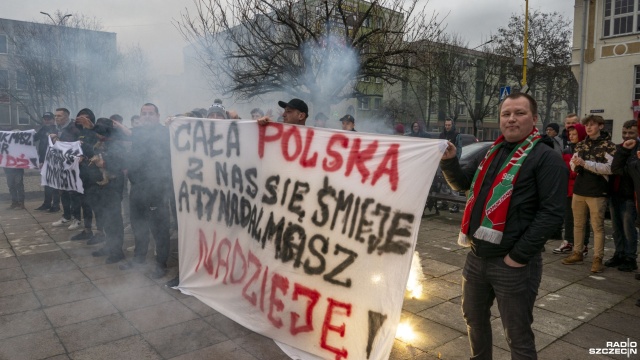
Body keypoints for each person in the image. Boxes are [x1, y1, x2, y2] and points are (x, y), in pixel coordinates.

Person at [440, 93, 567, 359]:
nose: (511, 119)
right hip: (477, 257)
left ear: (534, 119)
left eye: (519, 113)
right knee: (473, 320)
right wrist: (450, 161)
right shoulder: (490, 153)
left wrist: (517, 257)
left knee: (517, 334)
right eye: (506, 114)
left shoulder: (546, 158)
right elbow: (464, 184)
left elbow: (552, 214)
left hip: (514, 263)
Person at [121, 103, 172, 279]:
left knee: (159, 229)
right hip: (137, 188)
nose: (148, 116)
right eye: (144, 114)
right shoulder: (138, 132)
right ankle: (139, 257)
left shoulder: (164, 132)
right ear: (140, 116)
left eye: (151, 113)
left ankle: (161, 263)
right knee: (138, 225)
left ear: (157, 116)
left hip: (157, 190)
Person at [562, 115, 616, 273]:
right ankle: (577, 252)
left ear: (600, 126)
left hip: (597, 191)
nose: (589, 128)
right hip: (579, 189)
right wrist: (576, 165)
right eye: (587, 125)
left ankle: (597, 258)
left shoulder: (608, 146)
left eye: (592, 125)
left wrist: (585, 164)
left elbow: (609, 168)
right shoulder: (581, 144)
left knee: (597, 227)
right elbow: (573, 163)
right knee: (578, 224)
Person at [553, 124, 591, 256]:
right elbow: (565, 169)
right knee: (569, 217)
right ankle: (568, 241)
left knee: (583, 219)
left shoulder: (586, 149)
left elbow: (582, 170)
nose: (571, 137)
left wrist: (573, 171)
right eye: (570, 134)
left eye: (574, 134)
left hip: (582, 188)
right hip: (569, 188)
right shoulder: (568, 150)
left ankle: (584, 244)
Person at [609, 120, 639, 272]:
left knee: (628, 229)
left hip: (629, 195)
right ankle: (619, 253)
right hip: (615, 192)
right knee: (616, 228)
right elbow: (615, 168)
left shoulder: (637, 151)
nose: (627, 136)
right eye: (625, 133)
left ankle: (630, 257)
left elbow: (624, 171)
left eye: (631, 133)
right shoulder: (620, 148)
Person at [51, 108, 83, 228]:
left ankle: (77, 218)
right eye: (55, 116)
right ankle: (66, 216)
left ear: (66, 117)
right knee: (62, 191)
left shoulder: (74, 128)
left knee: (73, 192)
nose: (56, 118)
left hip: (72, 165)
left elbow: (77, 144)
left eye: (59, 116)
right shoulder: (57, 128)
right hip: (61, 164)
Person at [34, 112, 60, 211]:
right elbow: (34, 138)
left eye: (49, 119)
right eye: (45, 119)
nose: (47, 120)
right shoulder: (43, 129)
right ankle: (47, 203)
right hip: (44, 160)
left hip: (55, 160)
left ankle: (56, 205)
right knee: (46, 183)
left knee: (54, 183)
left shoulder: (57, 130)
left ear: (53, 119)